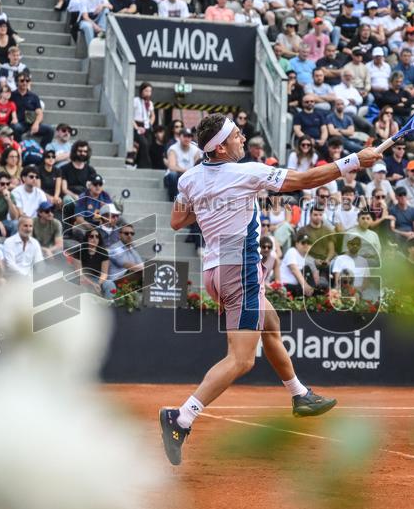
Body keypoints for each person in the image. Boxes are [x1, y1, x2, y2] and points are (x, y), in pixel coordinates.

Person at [160, 113, 380, 465]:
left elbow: (176, 221)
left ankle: (299, 394)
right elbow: (306, 179)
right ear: (219, 148)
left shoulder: (189, 178)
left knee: (271, 324)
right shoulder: (248, 173)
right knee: (242, 359)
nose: (243, 138)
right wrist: (355, 160)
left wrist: (211, 202)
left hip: (215, 271)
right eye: (236, 136)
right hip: (240, 270)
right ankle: (182, 417)